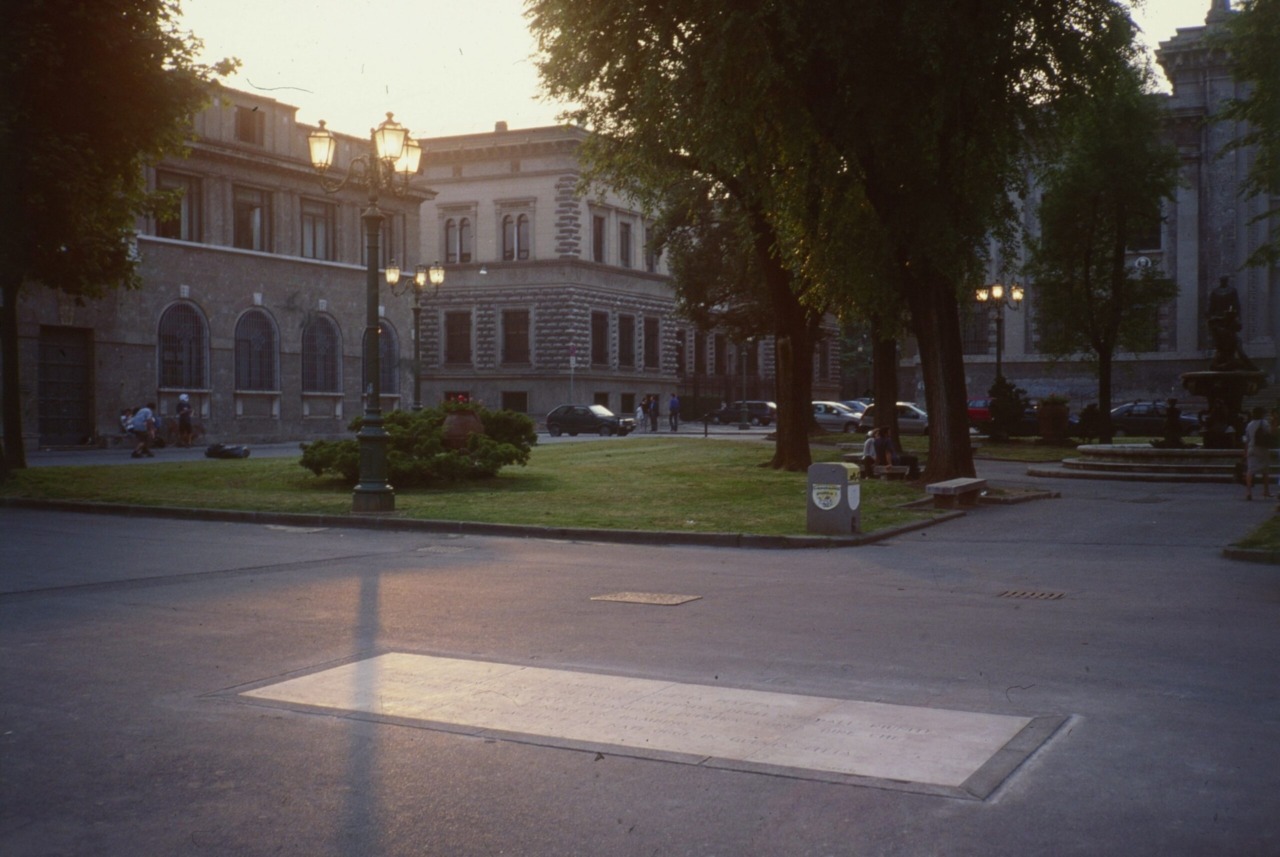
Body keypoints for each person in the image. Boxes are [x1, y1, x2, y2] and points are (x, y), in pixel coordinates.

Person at [1242, 406, 1272, 500]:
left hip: (1251, 447)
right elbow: (1269, 433)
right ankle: (1266, 490)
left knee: (1250, 470)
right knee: (1265, 470)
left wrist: (1245, 451)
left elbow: (1246, 439)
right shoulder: (1264, 423)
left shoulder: (1249, 424)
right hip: (1262, 448)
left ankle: (1248, 492)